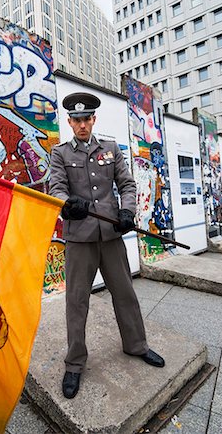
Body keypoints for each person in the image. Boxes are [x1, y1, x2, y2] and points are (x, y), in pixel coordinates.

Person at [49, 92, 165, 399]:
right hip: (80, 239)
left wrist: (127, 210)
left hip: (112, 235)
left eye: (87, 119)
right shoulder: (59, 153)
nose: (82, 125)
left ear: (93, 120)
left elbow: (127, 184)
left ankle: (137, 345)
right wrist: (65, 204)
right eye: (77, 120)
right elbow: (57, 188)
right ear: (70, 122)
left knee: (125, 294)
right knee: (77, 302)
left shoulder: (111, 149)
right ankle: (74, 364)